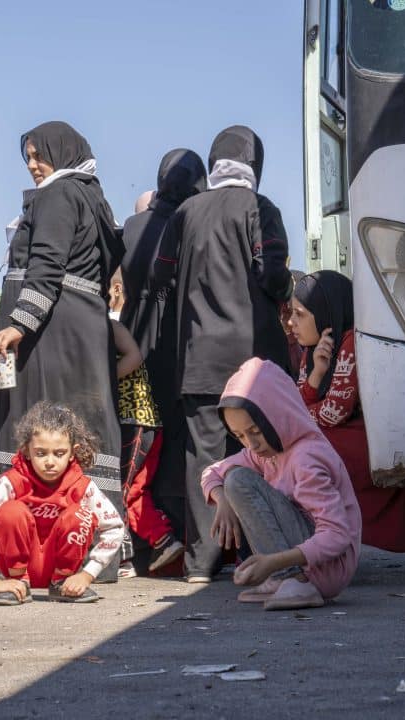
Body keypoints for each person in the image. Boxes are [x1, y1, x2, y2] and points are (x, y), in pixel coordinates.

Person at [0, 123, 125, 584]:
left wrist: (18, 325)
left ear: (62, 153)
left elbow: (46, 267)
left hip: (50, 336)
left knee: (31, 421)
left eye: (40, 155)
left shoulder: (58, 196)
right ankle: (83, 553)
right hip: (76, 332)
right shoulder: (91, 195)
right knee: (78, 425)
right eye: (29, 158)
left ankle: (26, 551)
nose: (34, 165)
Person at [156, 127, 293, 582]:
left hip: (199, 360)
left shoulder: (187, 212)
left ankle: (200, 563)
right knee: (262, 454)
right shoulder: (261, 208)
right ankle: (259, 554)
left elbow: (161, 275)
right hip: (255, 366)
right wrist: (287, 291)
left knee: (204, 460)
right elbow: (272, 275)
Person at [202, 358, 361, 610]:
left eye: (255, 430)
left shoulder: (306, 457)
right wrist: (221, 500)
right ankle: (285, 579)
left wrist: (273, 562)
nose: (251, 444)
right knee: (232, 479)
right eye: (241, 436)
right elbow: (212, 472)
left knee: (239, 480)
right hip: (307, 561)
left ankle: (293, 580)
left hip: (328, 567)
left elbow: (337, 535)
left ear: (278, 414)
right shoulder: (268, 452)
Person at [290, 270, 405, 552]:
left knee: (301, 449)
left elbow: (332, 413)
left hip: (360, 439)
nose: (291, 323)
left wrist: (303, 413)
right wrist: (317, 375)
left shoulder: (350, 342)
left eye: (300, 314)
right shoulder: (311, 351)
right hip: (337, 434)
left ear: (324, 311)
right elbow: (299, 404)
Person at [120, 150, 207, 552]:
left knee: (139, 432)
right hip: (178, 333)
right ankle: (181, 532)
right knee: (177, 433)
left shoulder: (133, 225)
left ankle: (140, 537)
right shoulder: (192, 222)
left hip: (135, 331)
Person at [0, 402, 124, 604]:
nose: (50, 461)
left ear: (72, 452)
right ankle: (18, 584)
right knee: (11, 512)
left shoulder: (81, 486)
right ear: (26, 451)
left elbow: (115, 527)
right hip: (17, 570)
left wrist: (87, 574)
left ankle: (61, 583)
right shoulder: (11, 482)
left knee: (79, 514)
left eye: (59, 453)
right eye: (41, 453)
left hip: (62, 570)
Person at [110, 311, 185, 577]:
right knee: (134, 493)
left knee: (120, 491)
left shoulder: (113, 325)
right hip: (141, 422)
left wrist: (105, 379)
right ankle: (163, 540)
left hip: (137, 420)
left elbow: (134, 356)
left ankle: (122, 557)